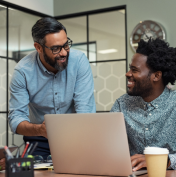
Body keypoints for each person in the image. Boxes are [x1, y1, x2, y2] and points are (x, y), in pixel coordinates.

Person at [8, 17, 96, 159]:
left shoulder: (79, 61)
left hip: (75, 135)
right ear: (38, 47)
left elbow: (85, 111)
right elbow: (16, 119)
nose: (64, 53)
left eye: (66, 45)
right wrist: (41, 130)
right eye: (56, 48)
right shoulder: (23, 71)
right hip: (38, 139)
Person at [111, 37, 176, 171]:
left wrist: (161, 160)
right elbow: (106, 145)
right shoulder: (121, 104)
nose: (127, 74)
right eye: (130, 69)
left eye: (134, 70)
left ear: (156, 76)